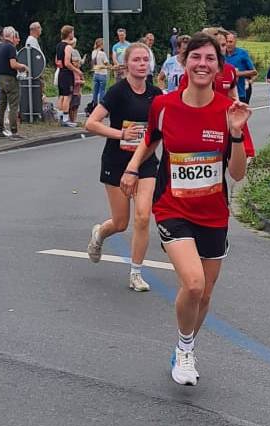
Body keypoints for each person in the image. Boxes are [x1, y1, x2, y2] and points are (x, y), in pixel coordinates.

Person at [120, 32, 252, 386]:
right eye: (196, 58)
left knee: (205, 294)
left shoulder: (229, 112)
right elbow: (151, 139)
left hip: (214, 213)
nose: (202, 64)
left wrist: (236, 134)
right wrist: (133, 169)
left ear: (219, 67)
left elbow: (237, 173)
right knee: (192, 285)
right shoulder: (164, 106)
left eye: (210, 59)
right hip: (173, 206)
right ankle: (184, 350)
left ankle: (187, 343)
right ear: (184, 62)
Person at [85, 43, 163, 293]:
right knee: (121, 223)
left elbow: (160, 132)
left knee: (143, 216)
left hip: (146, 161)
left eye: (145, 60)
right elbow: (91, 123)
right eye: (137, 60)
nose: (142, 64)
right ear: (127, 64)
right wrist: (122, 133)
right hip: (116, 162)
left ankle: (136, 273)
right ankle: (99, 233)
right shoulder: (117, 92)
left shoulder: (157, 94)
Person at [0, 27, 26, 139]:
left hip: (0, 77)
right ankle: (14, 131)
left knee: (1, 104)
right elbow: (13, 64)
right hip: (10, 79)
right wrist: (23, 66)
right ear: (12, 35)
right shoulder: (10, 47)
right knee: (13, 105)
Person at [54, 26, 83, 127]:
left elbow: (57, 61)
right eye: (73, 32)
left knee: (61, 95)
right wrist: (77, 71)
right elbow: (67, 62)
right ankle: (66, 119)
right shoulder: (68, 47)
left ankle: (60, 116)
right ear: (69, 34)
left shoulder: (58, 45)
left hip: (60, 72)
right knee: (68, 96)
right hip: (67, 73)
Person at [222, 31, 257, 103]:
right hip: (224, 93)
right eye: (227, 42)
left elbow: (254, 72)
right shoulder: (221, 54)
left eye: (231, 42)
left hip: (240, 93)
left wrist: (236, 73)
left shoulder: (242, 53)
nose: (228, 44)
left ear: (235, 42)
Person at [88, 37, 110, 113]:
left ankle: (94, 104)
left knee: (95, 91)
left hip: (96, 73)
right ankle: (101, 106)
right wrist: (110, 66)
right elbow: (106, 63)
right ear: (101, 44)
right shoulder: (102, 53)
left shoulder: (93, 52)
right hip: (102, 73)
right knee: (102, 91)